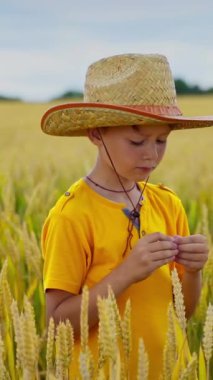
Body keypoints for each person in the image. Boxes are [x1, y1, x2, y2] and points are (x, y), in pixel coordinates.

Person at [41, 53, 212, 379]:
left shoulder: (168, 204)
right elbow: (57, 323)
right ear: (96, 133)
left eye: (162, 140)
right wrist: (127, 273)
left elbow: (184, 311)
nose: (152, 154)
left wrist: (193, 271)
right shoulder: (72, 215)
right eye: (137, 141)